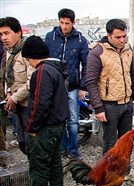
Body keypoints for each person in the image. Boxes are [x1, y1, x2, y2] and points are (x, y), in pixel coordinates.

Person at [15, 35, 70, 186]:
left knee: (38, 165)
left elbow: (40, 102)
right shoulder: (57, 68)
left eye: (28, 59)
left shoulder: (42, 71)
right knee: (54, 160)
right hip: (58, 125)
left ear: (32, 56)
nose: (28, 63)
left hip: (46, 128)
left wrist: (31, 127)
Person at [86, 18, 134, 181]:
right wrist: (98, 107)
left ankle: (126, 170)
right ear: (108, 35)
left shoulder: (127, 49)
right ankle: (109, 175)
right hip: (109, 106)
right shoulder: (97, 52)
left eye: (124, 36)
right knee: (110, 144)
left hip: (126, 104)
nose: (122, 40)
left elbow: (131, 74)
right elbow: (91, 81)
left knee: (127, 142)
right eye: (118, 37)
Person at [45, 8, 89, 160]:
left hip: (73, 87)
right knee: (59, 119)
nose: (64, 26)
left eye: (67, 23)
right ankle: (62, 148)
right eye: (62, 23)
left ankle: (73, 150)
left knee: (73, 121)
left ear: (73, 23)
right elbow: (45, 61)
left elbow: (86, 64)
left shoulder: (80, 40)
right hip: (55, 87)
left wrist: (83, 87)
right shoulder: (50, 37)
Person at [0, 17, 35, 155]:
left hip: (28, 105)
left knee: (31, 143)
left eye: (7, 33)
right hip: (17, 105)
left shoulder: (27, 52)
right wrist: (8, 93)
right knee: (22, 142)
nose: (3, 38)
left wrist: (14, 97)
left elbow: (31, 81)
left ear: (18, 32)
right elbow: (9, 78)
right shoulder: (9, 52)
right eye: (1, 34)